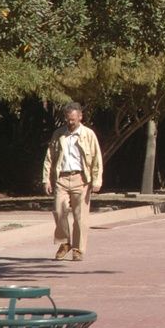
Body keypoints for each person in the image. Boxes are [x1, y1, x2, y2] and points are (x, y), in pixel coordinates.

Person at [42, 102, 103, 262]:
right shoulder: (58, 134)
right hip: (61, 178)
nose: (70, 122)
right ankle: (65, 242)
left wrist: (97, 180)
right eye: (68, 119)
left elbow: (96, 158)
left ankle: (78, 249)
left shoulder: (88, 134)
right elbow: (49, 157)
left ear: (80, 117)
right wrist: (46, 179)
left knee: (80, 217)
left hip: (81, 179)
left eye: (73, 119)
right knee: (58, 210)